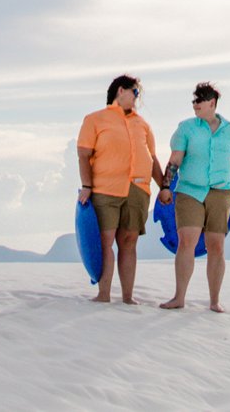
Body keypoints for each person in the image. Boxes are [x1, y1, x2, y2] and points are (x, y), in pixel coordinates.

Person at [158, 80, 230, 313]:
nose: (194, 104)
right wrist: (165, 186)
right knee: (186, 241)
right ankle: (179, 297)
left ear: (212, 103)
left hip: (220, 193)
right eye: (193, 100)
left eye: (199, 100)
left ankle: (214, 301)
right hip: (189, 191)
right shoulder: (186, 128)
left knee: (216, 246)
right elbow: (175, 159)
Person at [75, 73, 162, 305]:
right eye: (135, 92)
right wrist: (86, 186)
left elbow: (152, 158)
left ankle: (127, 297)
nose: (137, 98)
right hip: (105, 189)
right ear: (120, 91)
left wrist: (163, 186)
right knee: (105, 240)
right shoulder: (94, 120)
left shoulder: (143, 124)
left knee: (129, 242)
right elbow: (83, 155)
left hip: (137, 191)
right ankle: (103, 294)